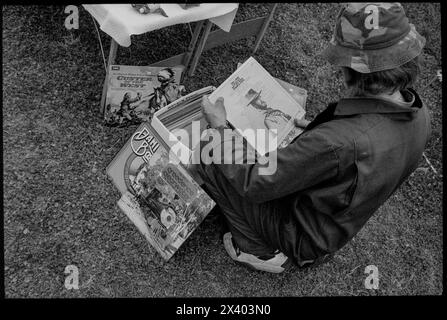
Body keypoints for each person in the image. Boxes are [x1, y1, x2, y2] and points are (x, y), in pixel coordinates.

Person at [193, 3, 431, 273]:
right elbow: (359, 156)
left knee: (211, 151)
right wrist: (317, 136)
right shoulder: (420, 114)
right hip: (330, 225)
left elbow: (255, 181)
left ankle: (258, 249)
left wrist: (221, 128)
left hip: (299, 235)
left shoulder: (338, 144)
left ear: (352, 69)